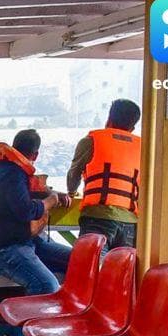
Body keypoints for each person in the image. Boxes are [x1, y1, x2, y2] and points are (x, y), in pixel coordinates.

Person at [0, 129, 73, 336]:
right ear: (36, 154)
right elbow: (26, 210)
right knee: (46, 285)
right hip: (4, 248)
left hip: (25, 241)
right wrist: (50, 202)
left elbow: (27, 195)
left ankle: (66, 325)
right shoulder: (11, 174)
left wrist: (52, 193)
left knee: (80, 261)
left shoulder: (6, 169)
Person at [68, 99, 142, 250]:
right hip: (130, 222)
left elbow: (73, 175)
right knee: (122, 272)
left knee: (92, 269)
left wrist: (71, 192)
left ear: (109, 120)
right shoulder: (143, 147)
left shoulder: (91, 141)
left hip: (97, 217)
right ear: (133, 127)